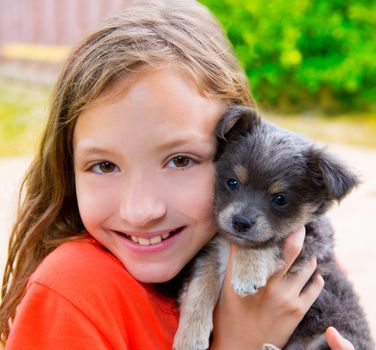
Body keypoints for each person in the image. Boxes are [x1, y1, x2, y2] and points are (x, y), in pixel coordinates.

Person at [0, 1, 355, 349]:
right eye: (104, 165)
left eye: (180, 160)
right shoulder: (72, 294)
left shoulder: (298, 267)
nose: (141, 210)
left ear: (231, 146)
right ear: (67, 168)